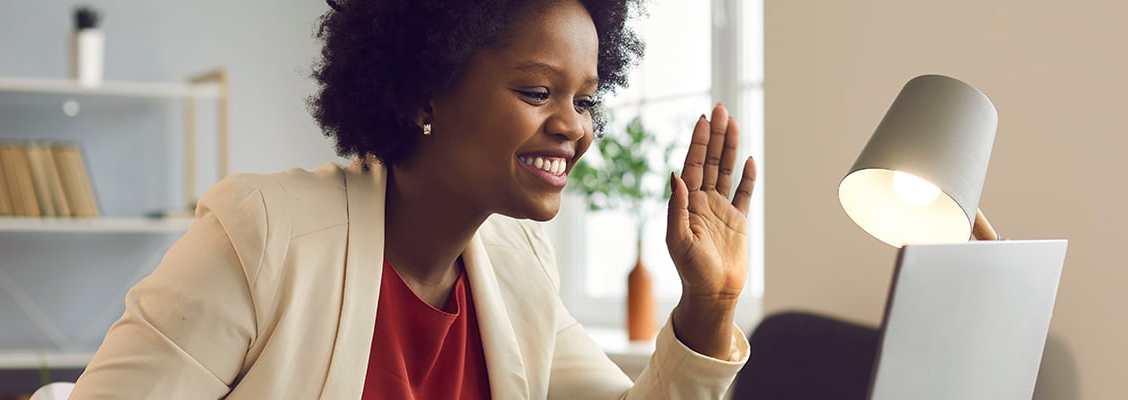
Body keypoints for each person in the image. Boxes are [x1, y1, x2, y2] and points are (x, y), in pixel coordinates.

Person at [69, 0, 759, 398]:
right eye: (536, 91)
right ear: (425, 89)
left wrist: (711, 304)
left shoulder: (520, 265)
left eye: (583, 99)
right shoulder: (264, 237)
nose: (574, 126)